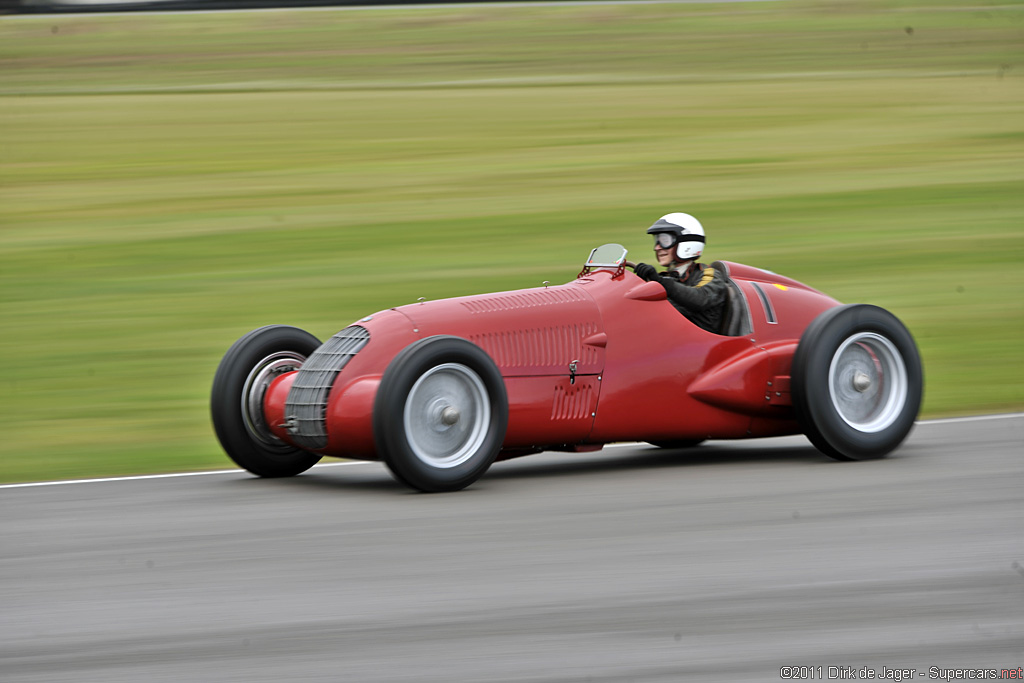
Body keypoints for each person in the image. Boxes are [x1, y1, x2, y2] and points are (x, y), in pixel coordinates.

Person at [632, 212, 729, 334]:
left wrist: (659, 282)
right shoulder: (667, 277)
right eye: (657, 241)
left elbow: (700, 298)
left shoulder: (710, 275)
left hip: (697, 346)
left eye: (664, 240)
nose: (657, 247)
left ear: (686, 243)